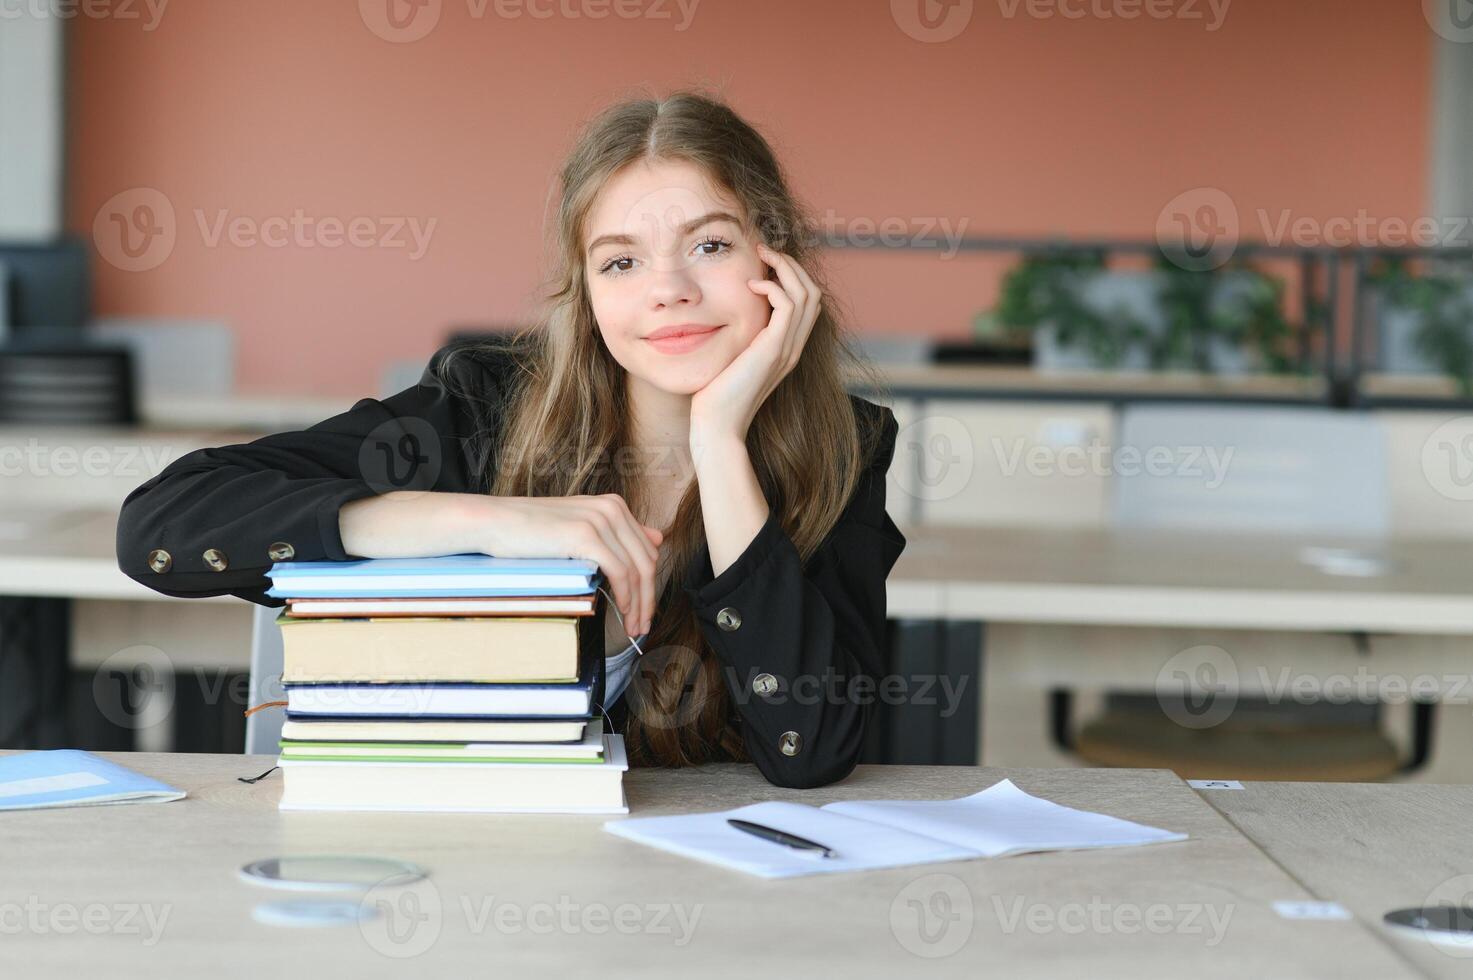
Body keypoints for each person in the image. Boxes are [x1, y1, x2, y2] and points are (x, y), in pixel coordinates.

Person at [115, 89, 907, 789]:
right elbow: (162, 525)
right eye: (621, 261)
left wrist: (720, 439)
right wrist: (484, 522)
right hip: (464, 869)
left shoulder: (847, 449)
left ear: (778, 265)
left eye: (710, 245)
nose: (669, 290)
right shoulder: (483, 402)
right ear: (586, 293)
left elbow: (813, 750)